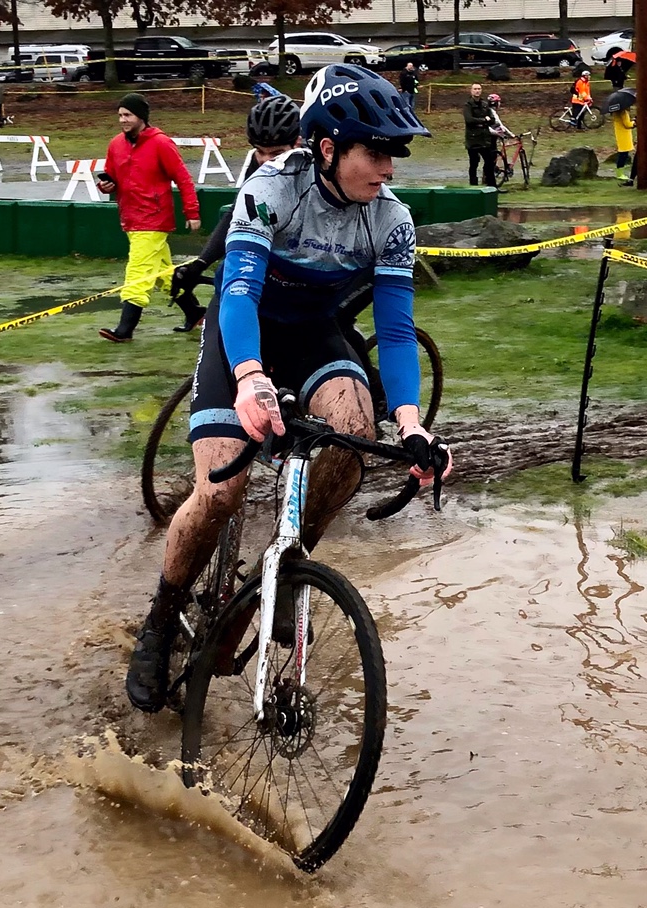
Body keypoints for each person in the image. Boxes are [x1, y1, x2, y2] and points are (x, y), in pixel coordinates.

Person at [124, 64, 449, 713]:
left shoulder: (392, 219)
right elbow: (239, 291)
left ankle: (287, 567)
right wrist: (250, 378)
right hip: (243, 333)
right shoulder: (270, 189)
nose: (388, 169)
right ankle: (161, 618)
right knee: (220, 493)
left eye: (394, 155)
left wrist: (413, 424)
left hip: (312, 335)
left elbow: (395, 328)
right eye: (376, 153)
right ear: (328, 147)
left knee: (355, 435)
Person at [168, 95, 303, 331]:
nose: (267, 162)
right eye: (260, 152)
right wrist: (200, 263)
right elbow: (238, 214)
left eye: (277, 153)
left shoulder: (316, 166)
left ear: (298, 143)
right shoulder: (259, 165)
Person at [97, 93, 202, 343]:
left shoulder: (161, 143)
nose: (123, 120)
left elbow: (183, 178)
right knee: (163, 274)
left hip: (153, 219)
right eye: (120, 115)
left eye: (128, 115)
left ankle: (125, 329)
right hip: (130, 218)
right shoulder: (115, 144)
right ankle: (195, 312)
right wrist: (106, 186)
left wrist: (192, 212)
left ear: (141, 117)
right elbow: (111, 176)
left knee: (138, 272)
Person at [463, 82, 496, 187]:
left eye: (479, 89)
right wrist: (483, 120)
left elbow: (492, 120)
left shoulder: (485, 104)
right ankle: (473, 185)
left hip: (484, 138)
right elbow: (469, 120)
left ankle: (492, 185)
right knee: (474, 163)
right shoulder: (468, 105)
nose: (477, 91)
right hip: (473, 139)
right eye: (475, 89)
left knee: (489, 162)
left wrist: (484, 121)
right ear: (471, 91)